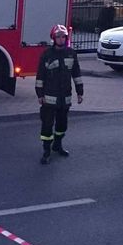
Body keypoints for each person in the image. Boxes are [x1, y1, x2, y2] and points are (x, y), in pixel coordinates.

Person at [35, 24, 85, 165]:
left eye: (63, 37)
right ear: (53, 38)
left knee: (62, 124)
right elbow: (40, 76)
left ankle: (58, 145)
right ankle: (46, 151)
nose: (61, 39)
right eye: (58, 36)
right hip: (49, 97)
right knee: (47, 126)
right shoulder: (47, 54)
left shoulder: (71, 53)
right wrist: (39, 94)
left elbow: (76, 74)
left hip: (65, 97)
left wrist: (80, 92)